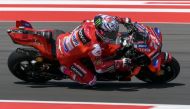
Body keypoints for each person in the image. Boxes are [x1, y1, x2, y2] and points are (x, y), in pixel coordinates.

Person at [56, 14, 133, 86]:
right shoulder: (95, 48)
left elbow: (111, 19)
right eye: (110, 34)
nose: (114, 35)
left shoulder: (93, 23)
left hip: (64, 38)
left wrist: (124, 20)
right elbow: (100, 68)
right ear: (101, 32)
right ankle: (65, 70)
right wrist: (120, 62)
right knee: (91, 81)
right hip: (66, 57)